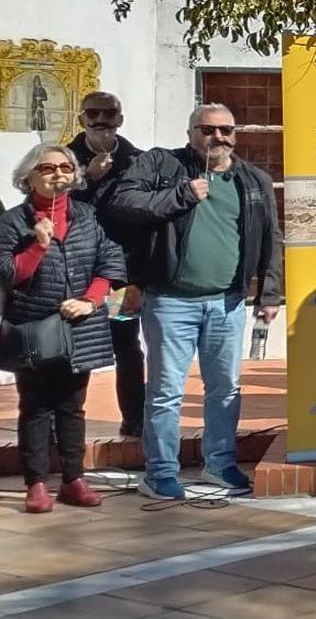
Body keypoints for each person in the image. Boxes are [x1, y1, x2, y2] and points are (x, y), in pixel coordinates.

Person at [105, 104, 282, 500]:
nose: (218, 137)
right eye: (208, 129)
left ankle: (219, 464)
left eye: (226, 130)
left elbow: (272, 238)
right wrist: (179, 195)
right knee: (166, 390)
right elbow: (120, 205)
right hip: (170, 301)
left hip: (227, 303)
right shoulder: (162, 165)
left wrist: (269, 292)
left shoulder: (253, 180)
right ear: (191, 132)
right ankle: (160, 472)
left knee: (225, 389)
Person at [2, 145, 125, 513]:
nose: (58, 174)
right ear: (29, 178)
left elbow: (110, 260)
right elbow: (8, 274)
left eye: (66, 167)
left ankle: (74, 479)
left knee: (73, 406)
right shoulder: (12, 222)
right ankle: (37, 484)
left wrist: (91, 299)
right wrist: (37, 246)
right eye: (48, 168)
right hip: (34, 327)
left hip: (81, 327)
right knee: (36, 407)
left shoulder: (88, 216)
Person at [65, 90, 147, 438]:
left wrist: (140, 278)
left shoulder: (138, 161)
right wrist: (88, 179)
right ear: (82, 119)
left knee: (126, 346)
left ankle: (135, 422)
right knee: (77, 349)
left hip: (121, 277)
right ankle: (69, 426)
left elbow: (147, 222)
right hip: (76, 275)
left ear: (120, 119)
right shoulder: (61, 161)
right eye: (92, 115)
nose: (101, 122)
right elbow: (53, 210)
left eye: (109, 115)